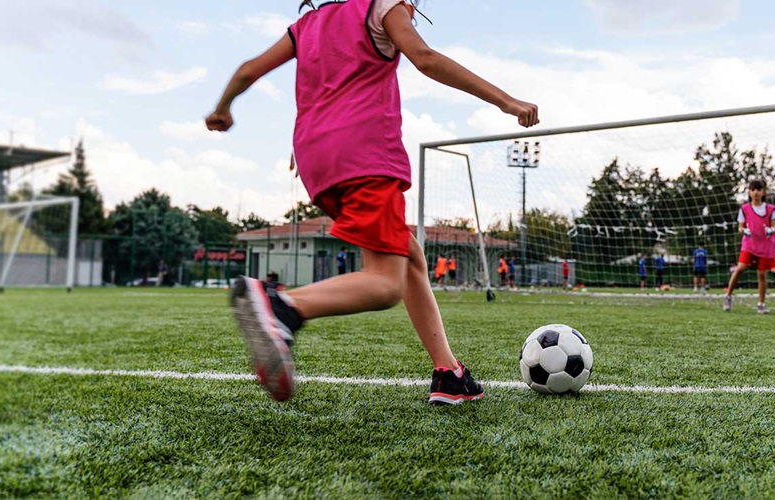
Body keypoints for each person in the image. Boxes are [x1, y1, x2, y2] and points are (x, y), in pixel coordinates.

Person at [208, 0, 538, 404]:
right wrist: (506, 101)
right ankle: (282, 306)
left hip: (316, 160)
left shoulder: (306, 24)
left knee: (409, 255)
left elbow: (247, 70)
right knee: (384, 284)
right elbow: (426, 57)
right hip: (364, 155)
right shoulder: (382, 7)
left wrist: (222, 109)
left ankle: (448, 373)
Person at [724, 179, 775, 314]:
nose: (756, 193)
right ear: (749, 192)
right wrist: (744, 231)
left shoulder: (770, 209)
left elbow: (774, 225)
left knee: (761, 274)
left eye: (759, 190)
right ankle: (728, 296)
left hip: (765, 246)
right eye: (753, 190)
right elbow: (740, 227)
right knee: (740, 268)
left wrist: (771, 230)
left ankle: (761, 303)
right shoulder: (744, 209)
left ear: (763, 192)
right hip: (749, 244)